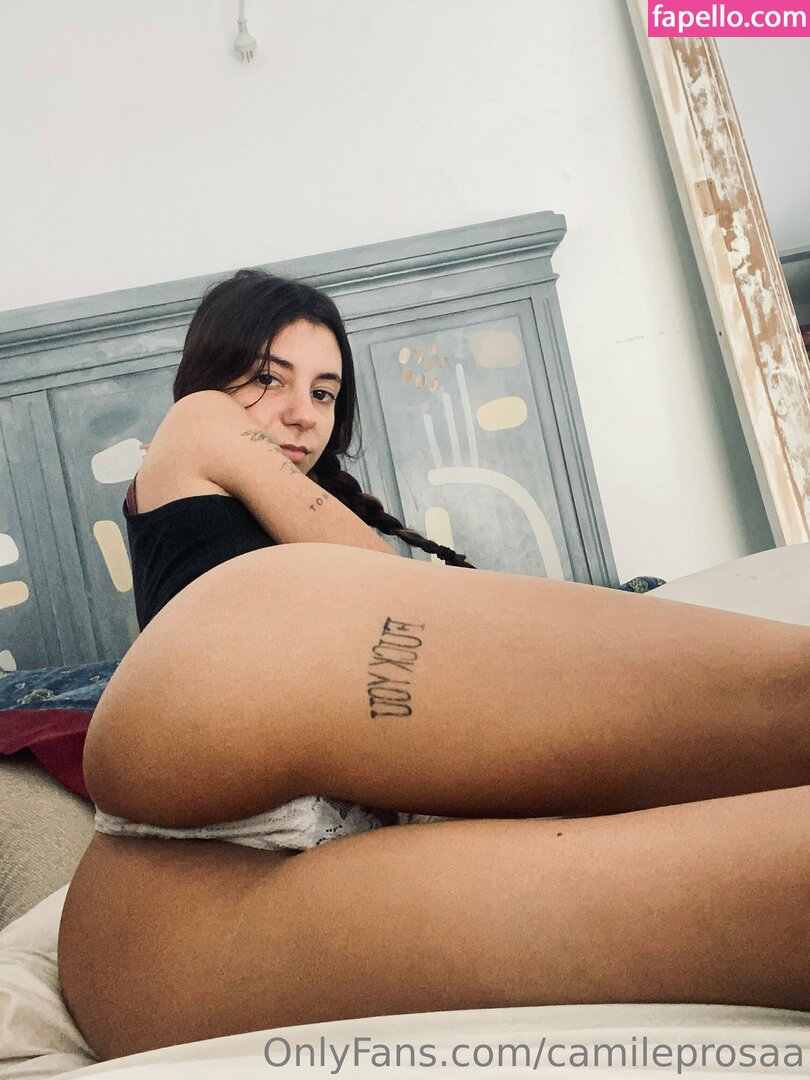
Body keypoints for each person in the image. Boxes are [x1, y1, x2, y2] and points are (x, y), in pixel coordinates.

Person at [58, 269, 810, 1061]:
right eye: (268, 379)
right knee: (783, 701)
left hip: (170, 921)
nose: (302, 412)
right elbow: (385, 583)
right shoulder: (197, 421)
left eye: (324, 393)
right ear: (210, 373)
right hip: (208, 734)